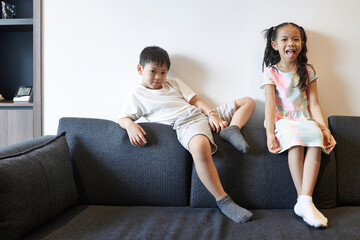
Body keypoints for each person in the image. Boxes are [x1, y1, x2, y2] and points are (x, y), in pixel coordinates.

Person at [118, 46, 255, 223]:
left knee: (248, 102)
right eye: (153, 71)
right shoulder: (136, 95)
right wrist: (130, 125)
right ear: (140, 69)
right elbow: (122, 117)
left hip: (203, 114)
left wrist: (212, 114)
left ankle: (232, 129)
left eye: (163, 72)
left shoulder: (173, 84)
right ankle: (224, 201)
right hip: (185, 123)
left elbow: (196, 101)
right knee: (199, 147)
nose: (158, 77)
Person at [262, 22, 336, 228]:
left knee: (315, 136)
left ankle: (304, 200)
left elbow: (314, 103)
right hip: (283, 119)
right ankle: (304, 200)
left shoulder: (307, 70)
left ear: (302, 44)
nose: (291, 43)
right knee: (295, 139)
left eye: (296, 39)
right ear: (275, 44)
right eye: (285, 39)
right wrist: (270, 132)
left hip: (304, 118)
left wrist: (324, 128)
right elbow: (270, 104)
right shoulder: (271, 72)